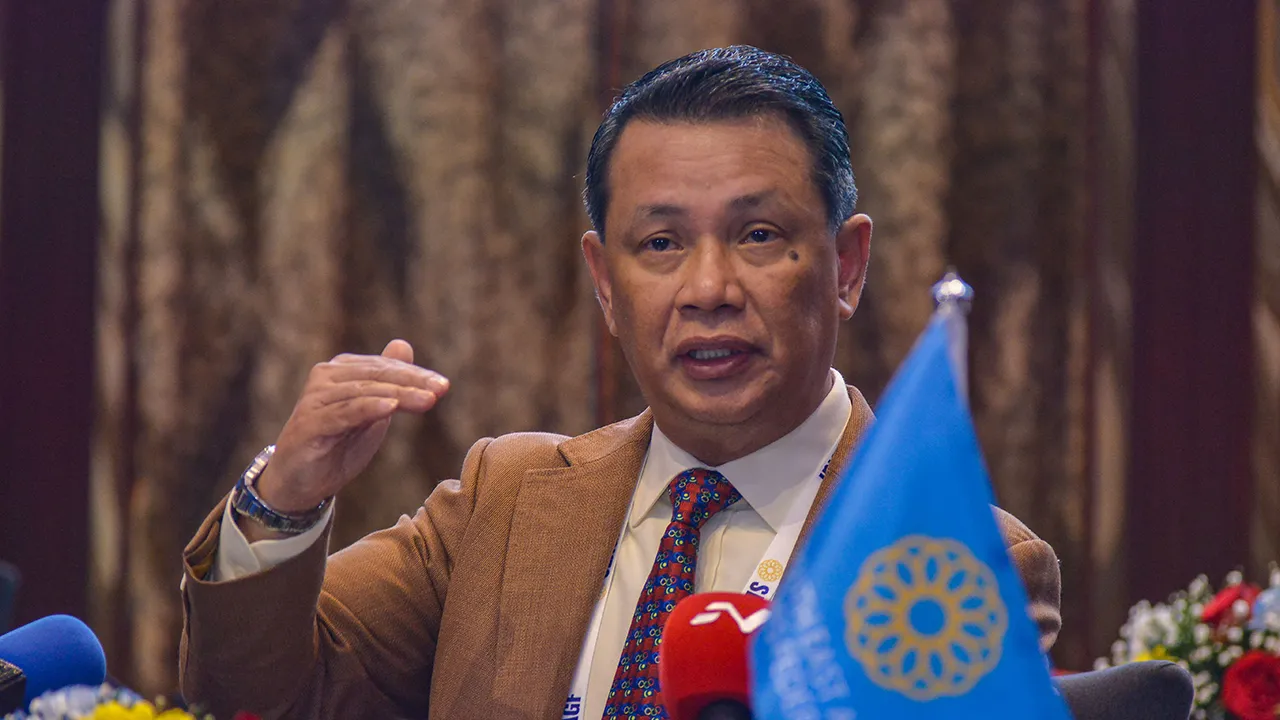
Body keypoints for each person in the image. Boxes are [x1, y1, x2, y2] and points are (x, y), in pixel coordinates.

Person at [179, 45, 1061, 720]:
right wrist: (285, 502)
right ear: (605, 282)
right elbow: (254, 697)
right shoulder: (506, 504)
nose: (709, 290)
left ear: (847, 265)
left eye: (758, 235)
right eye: (661, 244)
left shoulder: (952, 559)